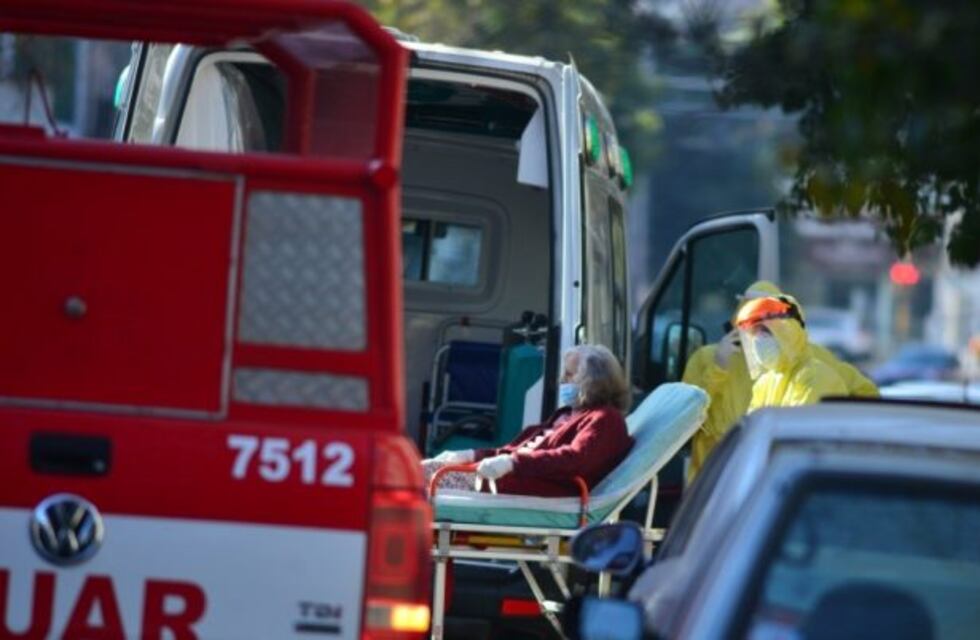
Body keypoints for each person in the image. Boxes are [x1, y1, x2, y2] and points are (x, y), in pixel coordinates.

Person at [683, 281, 877, 482]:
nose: (759, 339)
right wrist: (717, 369)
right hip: (713, 484)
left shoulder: (814, 368)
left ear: (784, 328)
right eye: (754, 329)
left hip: (772, 483)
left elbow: (866, 396)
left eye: (766, 328)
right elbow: (684, 420)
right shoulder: (719, 362)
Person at [422, 344, 633, 497]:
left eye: (569, 375)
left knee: (418, 479)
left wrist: (513, 463)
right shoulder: (567, 415)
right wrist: (472, 454)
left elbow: (574, 459)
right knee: (420, 470)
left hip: (533, 485)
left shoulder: (606, 420)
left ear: (593, 381)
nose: (561, 381)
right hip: (512, 478)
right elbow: (513, 451)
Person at [736, 295, 848, 410]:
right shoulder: (764, 385)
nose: (758, 341)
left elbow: (799, 425)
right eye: (754, 334)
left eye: (765, 331)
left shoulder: (816, 377)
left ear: (788, 331)